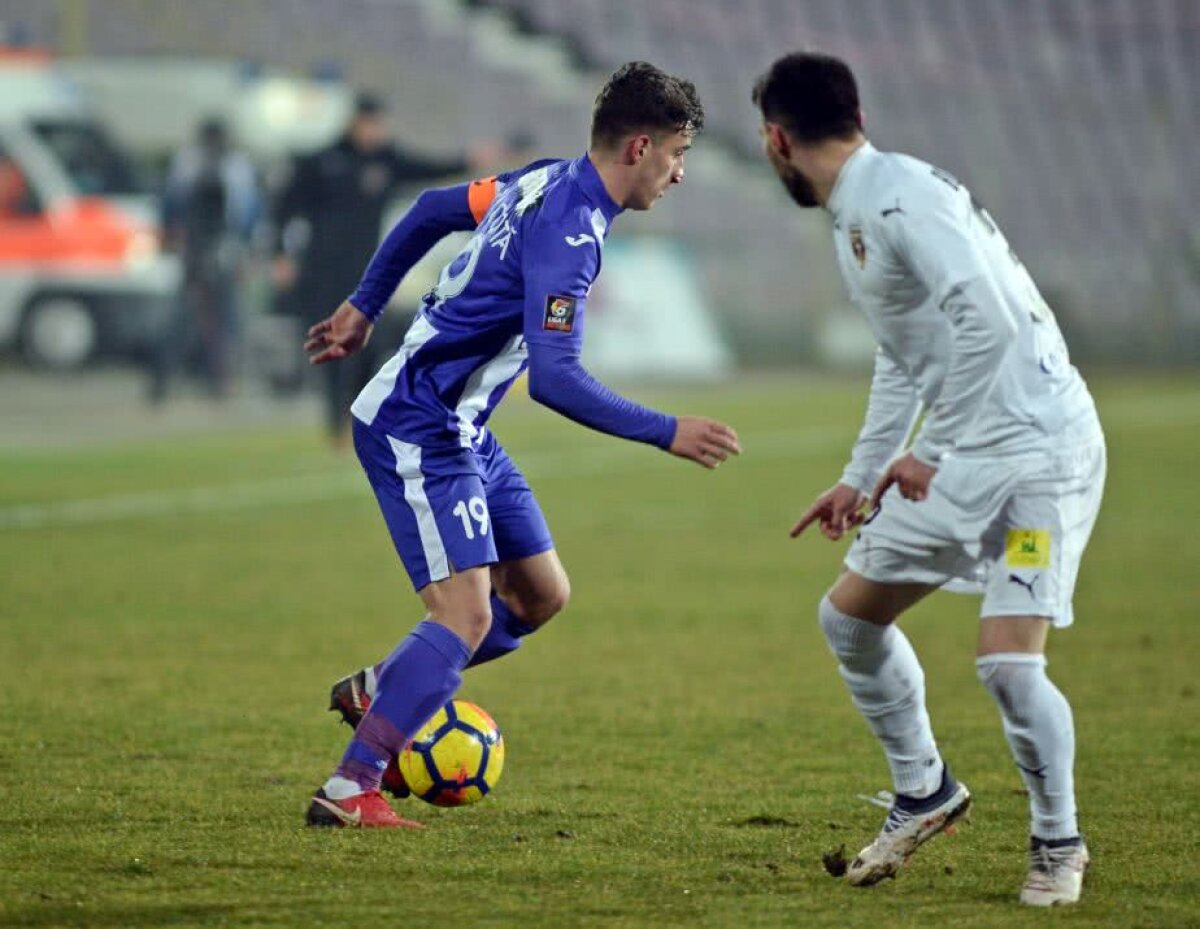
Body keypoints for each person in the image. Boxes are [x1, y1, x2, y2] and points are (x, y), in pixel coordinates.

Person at [302, 62, 741, 829]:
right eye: (677, 155)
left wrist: (365, 307)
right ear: (640, 146)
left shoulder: (543, 179)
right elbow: (557, 380)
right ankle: (350, 787)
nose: (678, 174)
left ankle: (383, 687)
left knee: (541, 595)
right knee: (465, 615)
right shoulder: (569, 231)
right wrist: (668, 430)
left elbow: (435, 207)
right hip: (419, 421)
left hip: (466, 426)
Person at [753, 52, 1104, 906]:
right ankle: (925, 790)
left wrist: (933, 450)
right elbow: (907, 355)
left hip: (1034, 457)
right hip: (965, 455)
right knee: (849, 618)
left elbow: (986, 322)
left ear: (776, 140)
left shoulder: (897, 198)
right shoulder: (862, 207)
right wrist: (862, 473)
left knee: (1009, 667)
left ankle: (1059, 844)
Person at [273, 91, 498, 447]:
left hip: (367, 275)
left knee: (370, 344)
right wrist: (280, 254)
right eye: (371, 124)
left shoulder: (385, 160)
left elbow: (426, 168)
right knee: (332, 346)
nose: (376, 131)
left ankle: (360, 416)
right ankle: (338, 424)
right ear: (356, 122)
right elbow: (284, 207)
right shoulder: (321, 161)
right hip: (322, 271)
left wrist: (468, 160)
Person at [149, 118, 260, 403]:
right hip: (201, 249)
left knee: (222, 318)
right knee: (193, 317)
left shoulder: (230, 167)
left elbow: (246, 213)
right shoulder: (192, 165)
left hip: (216, 247)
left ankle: (216, 379)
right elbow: (172, 206)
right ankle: (171, 378)